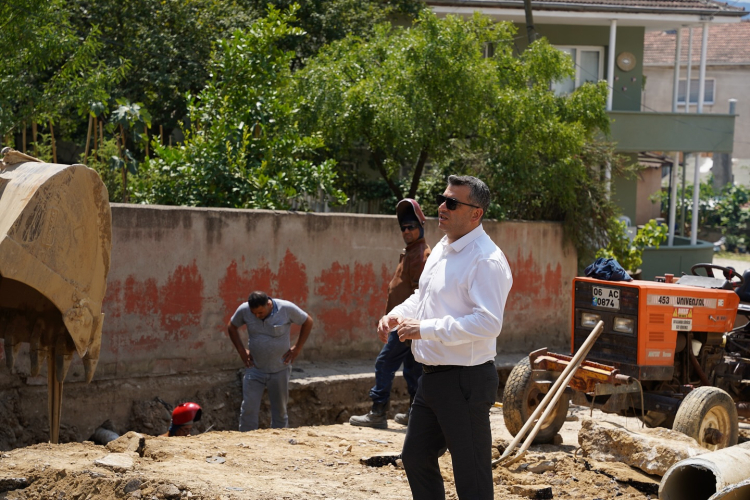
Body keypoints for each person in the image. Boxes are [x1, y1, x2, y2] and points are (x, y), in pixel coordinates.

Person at [378, 175, 513, 500]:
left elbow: (488, 323)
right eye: (443, 199)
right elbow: (424, 297)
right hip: (433, 380)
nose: (441, 207)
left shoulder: (486, 260)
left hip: (464, 381)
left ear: (475, 213)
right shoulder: (443, 247)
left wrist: (425, 329)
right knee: (416, 457)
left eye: (452, 202)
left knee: (472, 477)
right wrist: (398, 313)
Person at [349, 198, 431, 429]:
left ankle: (378, 412)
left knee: (384, 363)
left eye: (411, 227)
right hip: (404, 324)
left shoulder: (422, 255)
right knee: (413, 371)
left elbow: (421, 294)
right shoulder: (410, 252)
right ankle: (415, 414)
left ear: (421, 227)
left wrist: (407, 322)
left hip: (406, 323)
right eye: (403, 227)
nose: (406, 231)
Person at [227, 291, 313, 431]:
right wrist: (242, 351)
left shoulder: (286, 308)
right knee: (248, 408)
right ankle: (246, 441)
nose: (257, 316)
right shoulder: (244, 310)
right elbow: (232, 326)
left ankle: (279, 443)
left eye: (260, 312)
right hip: (254, 368)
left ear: (268, 304)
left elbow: (307, 321)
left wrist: (298, 347)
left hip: (280, 369)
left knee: (280, 411)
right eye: (254, 313)